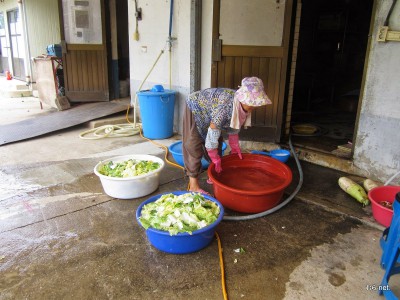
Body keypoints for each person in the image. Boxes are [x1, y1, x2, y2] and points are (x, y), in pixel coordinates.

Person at [182, 76, 272, 194]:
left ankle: (213, 174)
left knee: (218, 143)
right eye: (251, 103)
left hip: (211, 112)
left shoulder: (241, 106)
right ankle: (193, 185)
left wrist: (234, 147)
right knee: (193, 145)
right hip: (195, 107)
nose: (254, 106)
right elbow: (212, 134)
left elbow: (233, 125)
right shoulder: (224, 108)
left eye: (255, 103)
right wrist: (214, 156)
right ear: (242, 99)